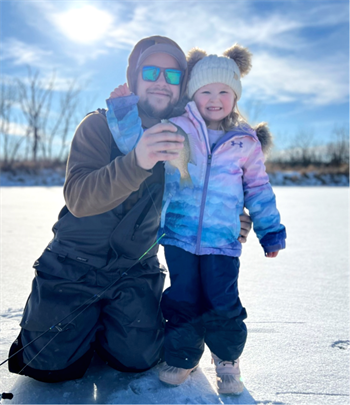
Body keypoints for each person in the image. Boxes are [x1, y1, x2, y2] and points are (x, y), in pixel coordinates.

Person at [7, 36, 252, 383]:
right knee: (47, 364)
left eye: (172, 75)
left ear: (182, 85)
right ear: (135, 78)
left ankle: (106, 328)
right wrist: (136, 161)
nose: (162, 81)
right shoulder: (99, 126)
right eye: (151, 71)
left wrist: (229, 219)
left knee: (139, 359)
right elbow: (79, 198)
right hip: (72, 265)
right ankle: (70, 329)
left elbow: (205, 196)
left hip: (135, 271)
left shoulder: (191, 139)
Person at [105, 43, 286, 395]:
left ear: (235, 97)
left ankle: (227, 359)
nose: (214, 99)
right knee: (183, 298)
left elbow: (259, 189)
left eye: (224, 91)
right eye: (205, 91)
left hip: (222, 241)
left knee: (223, 301)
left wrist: (270, 230)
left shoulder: (245, 142)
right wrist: (124, 107)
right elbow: (134, 145)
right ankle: (184, 356)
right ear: (192, 94)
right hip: (179, 235)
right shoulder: (176, 127)